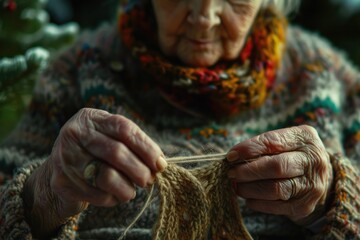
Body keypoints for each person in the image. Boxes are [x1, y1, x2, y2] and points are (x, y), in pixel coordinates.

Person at [0, 0, 359, 239]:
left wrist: (332, 196)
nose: (204, 17)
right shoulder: (74, 69)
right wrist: (46, 191)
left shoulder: (324, 75)